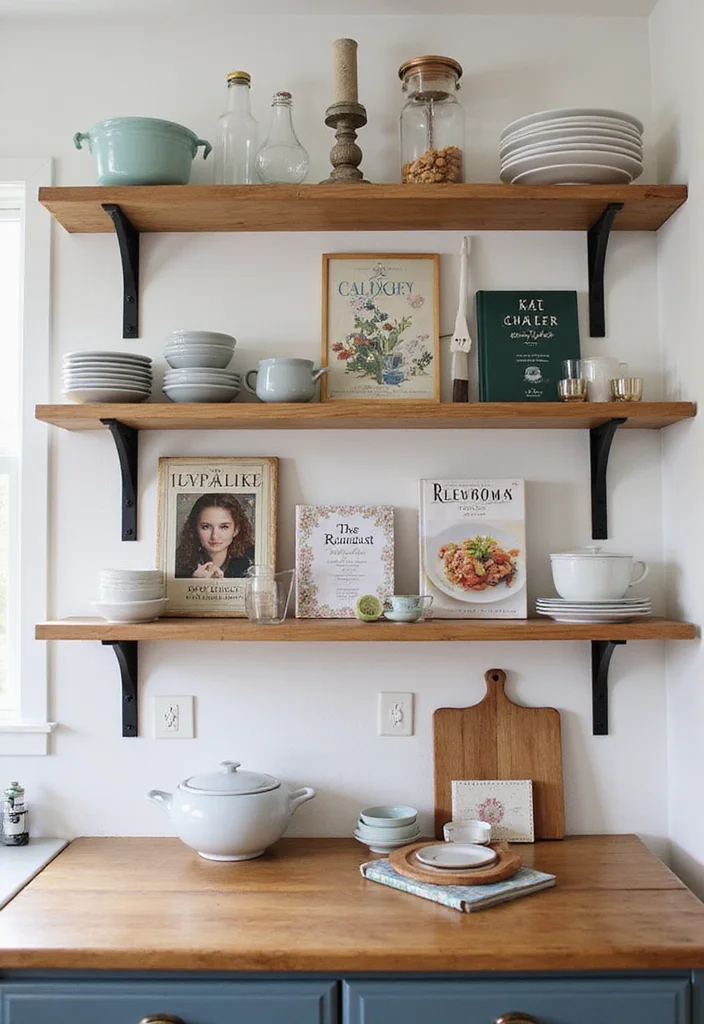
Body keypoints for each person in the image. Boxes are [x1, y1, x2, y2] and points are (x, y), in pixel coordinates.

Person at [175, 493, 255, 579]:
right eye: (206, 527)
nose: (214, 536)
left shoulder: (251, 564)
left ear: (236, 530)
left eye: (224, 527)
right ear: (195, 529)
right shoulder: (176, 563)